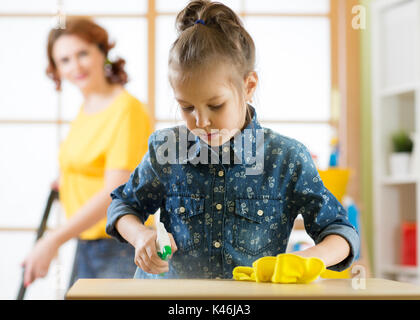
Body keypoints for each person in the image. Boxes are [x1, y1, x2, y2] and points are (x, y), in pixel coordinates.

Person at [105, 0, 360, 279]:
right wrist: (140, 235)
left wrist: (308, 259)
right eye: (187, 107)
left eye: (215, 106)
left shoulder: (286, 157)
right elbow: (123, 205)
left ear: (249, 86)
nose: (201, 122)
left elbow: (341, 232)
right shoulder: (167, 148)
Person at [22, 17, 152, 288]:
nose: (76, 66)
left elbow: (114, 191)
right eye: (64, 60)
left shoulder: (127, 110)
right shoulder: (86, 109)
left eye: (83, 53)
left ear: (102, 52)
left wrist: (52, 240)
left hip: (120, 246)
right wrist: (68, 182)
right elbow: (89, 166)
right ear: (56, 68)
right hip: (88, 242)